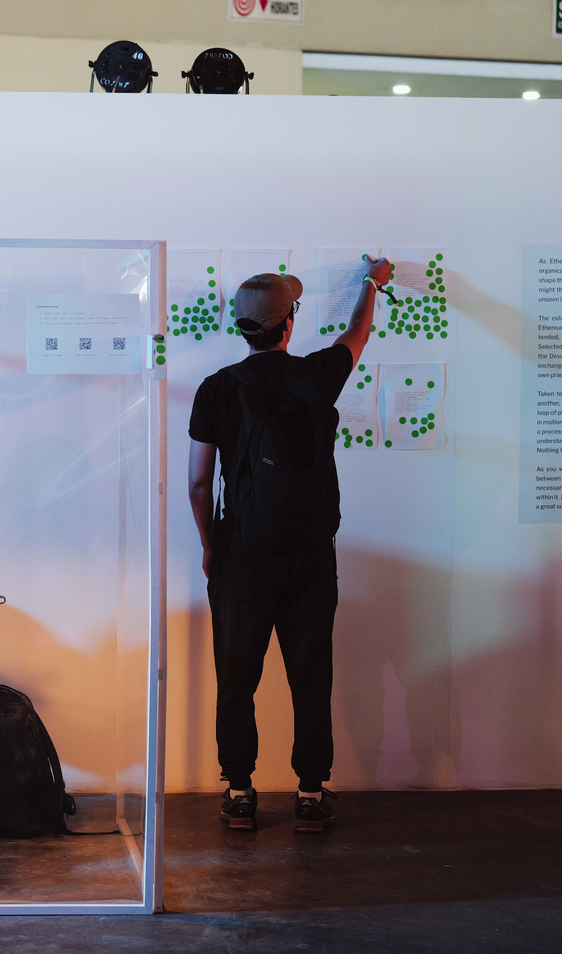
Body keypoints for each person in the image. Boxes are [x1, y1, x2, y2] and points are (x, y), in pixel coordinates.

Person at [187, 257, 393, 833]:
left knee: (237, 676)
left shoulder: (216, 390)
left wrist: (211, 545)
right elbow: (358, 334)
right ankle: (309, 792)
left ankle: (239, 791)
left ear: (242, 328)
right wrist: (371, 283)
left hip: (242, 555)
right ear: (288, 327)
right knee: (309, 673)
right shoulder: (317, 375)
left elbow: (199, 482)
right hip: (308, 555)